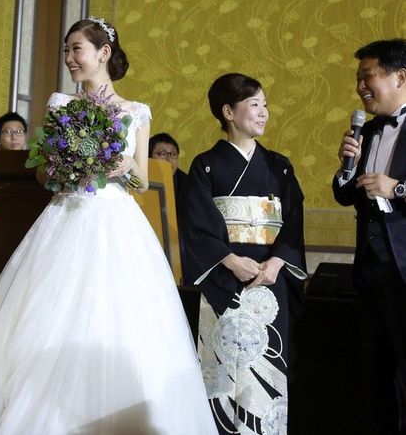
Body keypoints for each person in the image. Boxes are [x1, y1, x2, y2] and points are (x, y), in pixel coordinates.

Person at [0, 17, 217, 434]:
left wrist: (124, 164)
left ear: (103, 53)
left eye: (76, 49)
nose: (69, 58)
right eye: (66, 50)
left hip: (117, 220)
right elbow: (42, 174)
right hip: (65, 214)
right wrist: (64, 166)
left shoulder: (136, 112)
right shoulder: (60, 105)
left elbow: (142, 181)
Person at [180, 73, 306, 434]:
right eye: (254, 105)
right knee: (223, 372)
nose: (264, 112)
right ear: (228, 112)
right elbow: (196, 225)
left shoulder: (279, 166)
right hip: (225, 278)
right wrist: (231, 260)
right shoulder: (205, 165)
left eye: (265, 105)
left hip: (269, 280)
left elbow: (293, 219)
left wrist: (277, 262)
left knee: (267, 368)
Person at [333, 39, 406, 435]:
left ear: (400, 77)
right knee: (375, 377)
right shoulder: (368, 130)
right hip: (370, 273)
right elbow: (345, 195)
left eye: (368, 76)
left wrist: (397, 188)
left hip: (404, 270)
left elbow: (392, 190)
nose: (361, 86)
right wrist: (347, 165)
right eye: (358, 78)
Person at [149, 132, 188, 209]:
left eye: (173, 154)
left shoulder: (187, 184)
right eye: (162, 154)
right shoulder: (139, 177)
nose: (169, 160)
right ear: (149, 157)